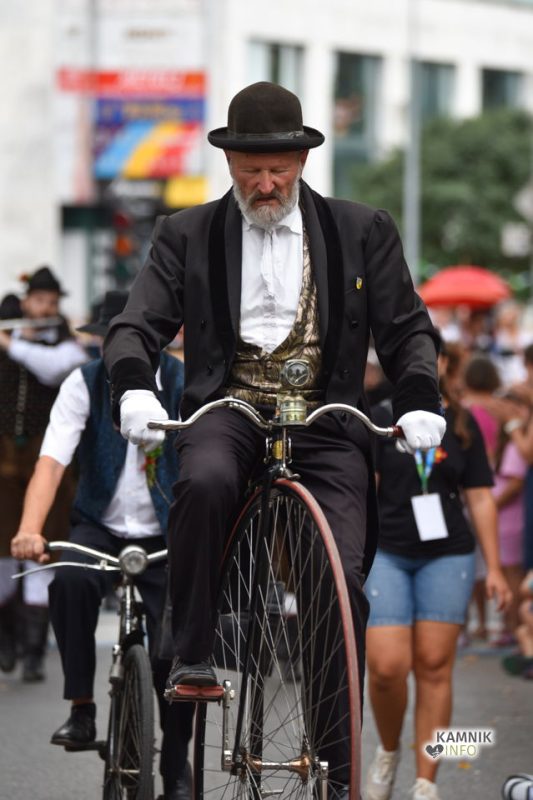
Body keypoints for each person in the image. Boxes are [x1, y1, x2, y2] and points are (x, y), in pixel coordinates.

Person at [103, 82, 445, 795]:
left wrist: (419, 400)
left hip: (325, 417)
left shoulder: (361, 229)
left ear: (301, 160)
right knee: (203, 480)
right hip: (228, 408)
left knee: (340, 579)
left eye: (277, 168)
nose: (265, 182)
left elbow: (407, 330)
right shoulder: (187, 233)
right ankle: (193, 652)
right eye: (251, 168)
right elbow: (135, 325)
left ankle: (337, 766)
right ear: (229, 163)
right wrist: (134, 385)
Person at [11, 291, 193, 800]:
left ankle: (177, 763)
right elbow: (51, 463)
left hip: (166, 530)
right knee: (69, 580)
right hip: (99, 525)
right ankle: (81, 707)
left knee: (177, 647)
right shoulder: (83, 383)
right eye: (111, 339)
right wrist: (30, 529)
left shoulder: (184, 384)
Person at [364, 344, 511, 800]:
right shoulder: (378, 418)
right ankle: (389, 750)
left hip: (448, 555)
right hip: (387, 551)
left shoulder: (462, 422)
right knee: (387, 667)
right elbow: (362, 495)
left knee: (434, 666)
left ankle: (426, 781)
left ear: (446, 364)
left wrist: (495, 569)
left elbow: (480, 498)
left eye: (431, 354)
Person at [0, 266, 87, 682]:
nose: (46, 309)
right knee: (2, 551)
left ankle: (34, 652)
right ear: (26, 302)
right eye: (39, 301)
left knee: (43, 549)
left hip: (45, 459)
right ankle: (7, 637)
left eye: (52, 302)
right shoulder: (11, 331)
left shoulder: (64, 345)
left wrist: (11, 344)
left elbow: (53, 368)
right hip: (3, 459)